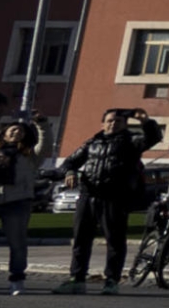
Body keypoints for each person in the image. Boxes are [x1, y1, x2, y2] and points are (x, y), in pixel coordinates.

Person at [59, 109, 158, 292]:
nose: (113, 124)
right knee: (81, 239)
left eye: (118, 121)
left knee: (115, 241)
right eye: (110, 121)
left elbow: (152, 138)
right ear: (103, 124)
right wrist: (70, 172)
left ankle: (112, 280)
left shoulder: (131, 142)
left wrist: (146, 122)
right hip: (88, 196)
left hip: (114, 198)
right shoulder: (92, 143)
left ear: (124, 125)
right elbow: (69, 162)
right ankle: (77, 278)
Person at [0, 117, 42, 295]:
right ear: (4, 132)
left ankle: (17, 279)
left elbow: (44, 145)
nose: (16, 133)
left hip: (17, 202)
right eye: (12, 130)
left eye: (20, 131)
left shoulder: (28, 155)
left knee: (17, 242)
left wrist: (42, 125)